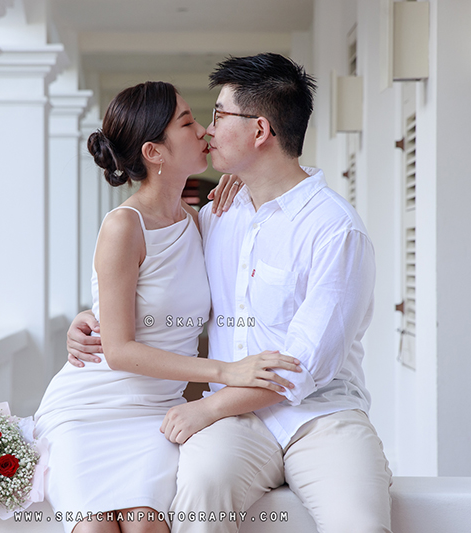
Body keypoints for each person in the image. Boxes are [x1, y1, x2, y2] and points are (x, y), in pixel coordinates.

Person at [67, 54, 393, 533]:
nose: (207, 129)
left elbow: (301, 367)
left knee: (359, 523)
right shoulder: (219, 216)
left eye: (218, 115)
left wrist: (210, 405)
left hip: (321, 416)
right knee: (197, 497)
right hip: (238, 428)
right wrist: (91, 318)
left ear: (259, 131)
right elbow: (158, 281)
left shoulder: (334, 230)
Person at [33, 81, 302, 533]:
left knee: (148, 526)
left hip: (155, 415)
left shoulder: (200, 222)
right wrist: (226, 372)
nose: (203, 130)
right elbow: (117, 351)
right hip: (91, 408)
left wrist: (245, 173)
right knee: (95, 527)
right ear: (154, 152)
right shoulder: (124, 225)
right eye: (186, 122)